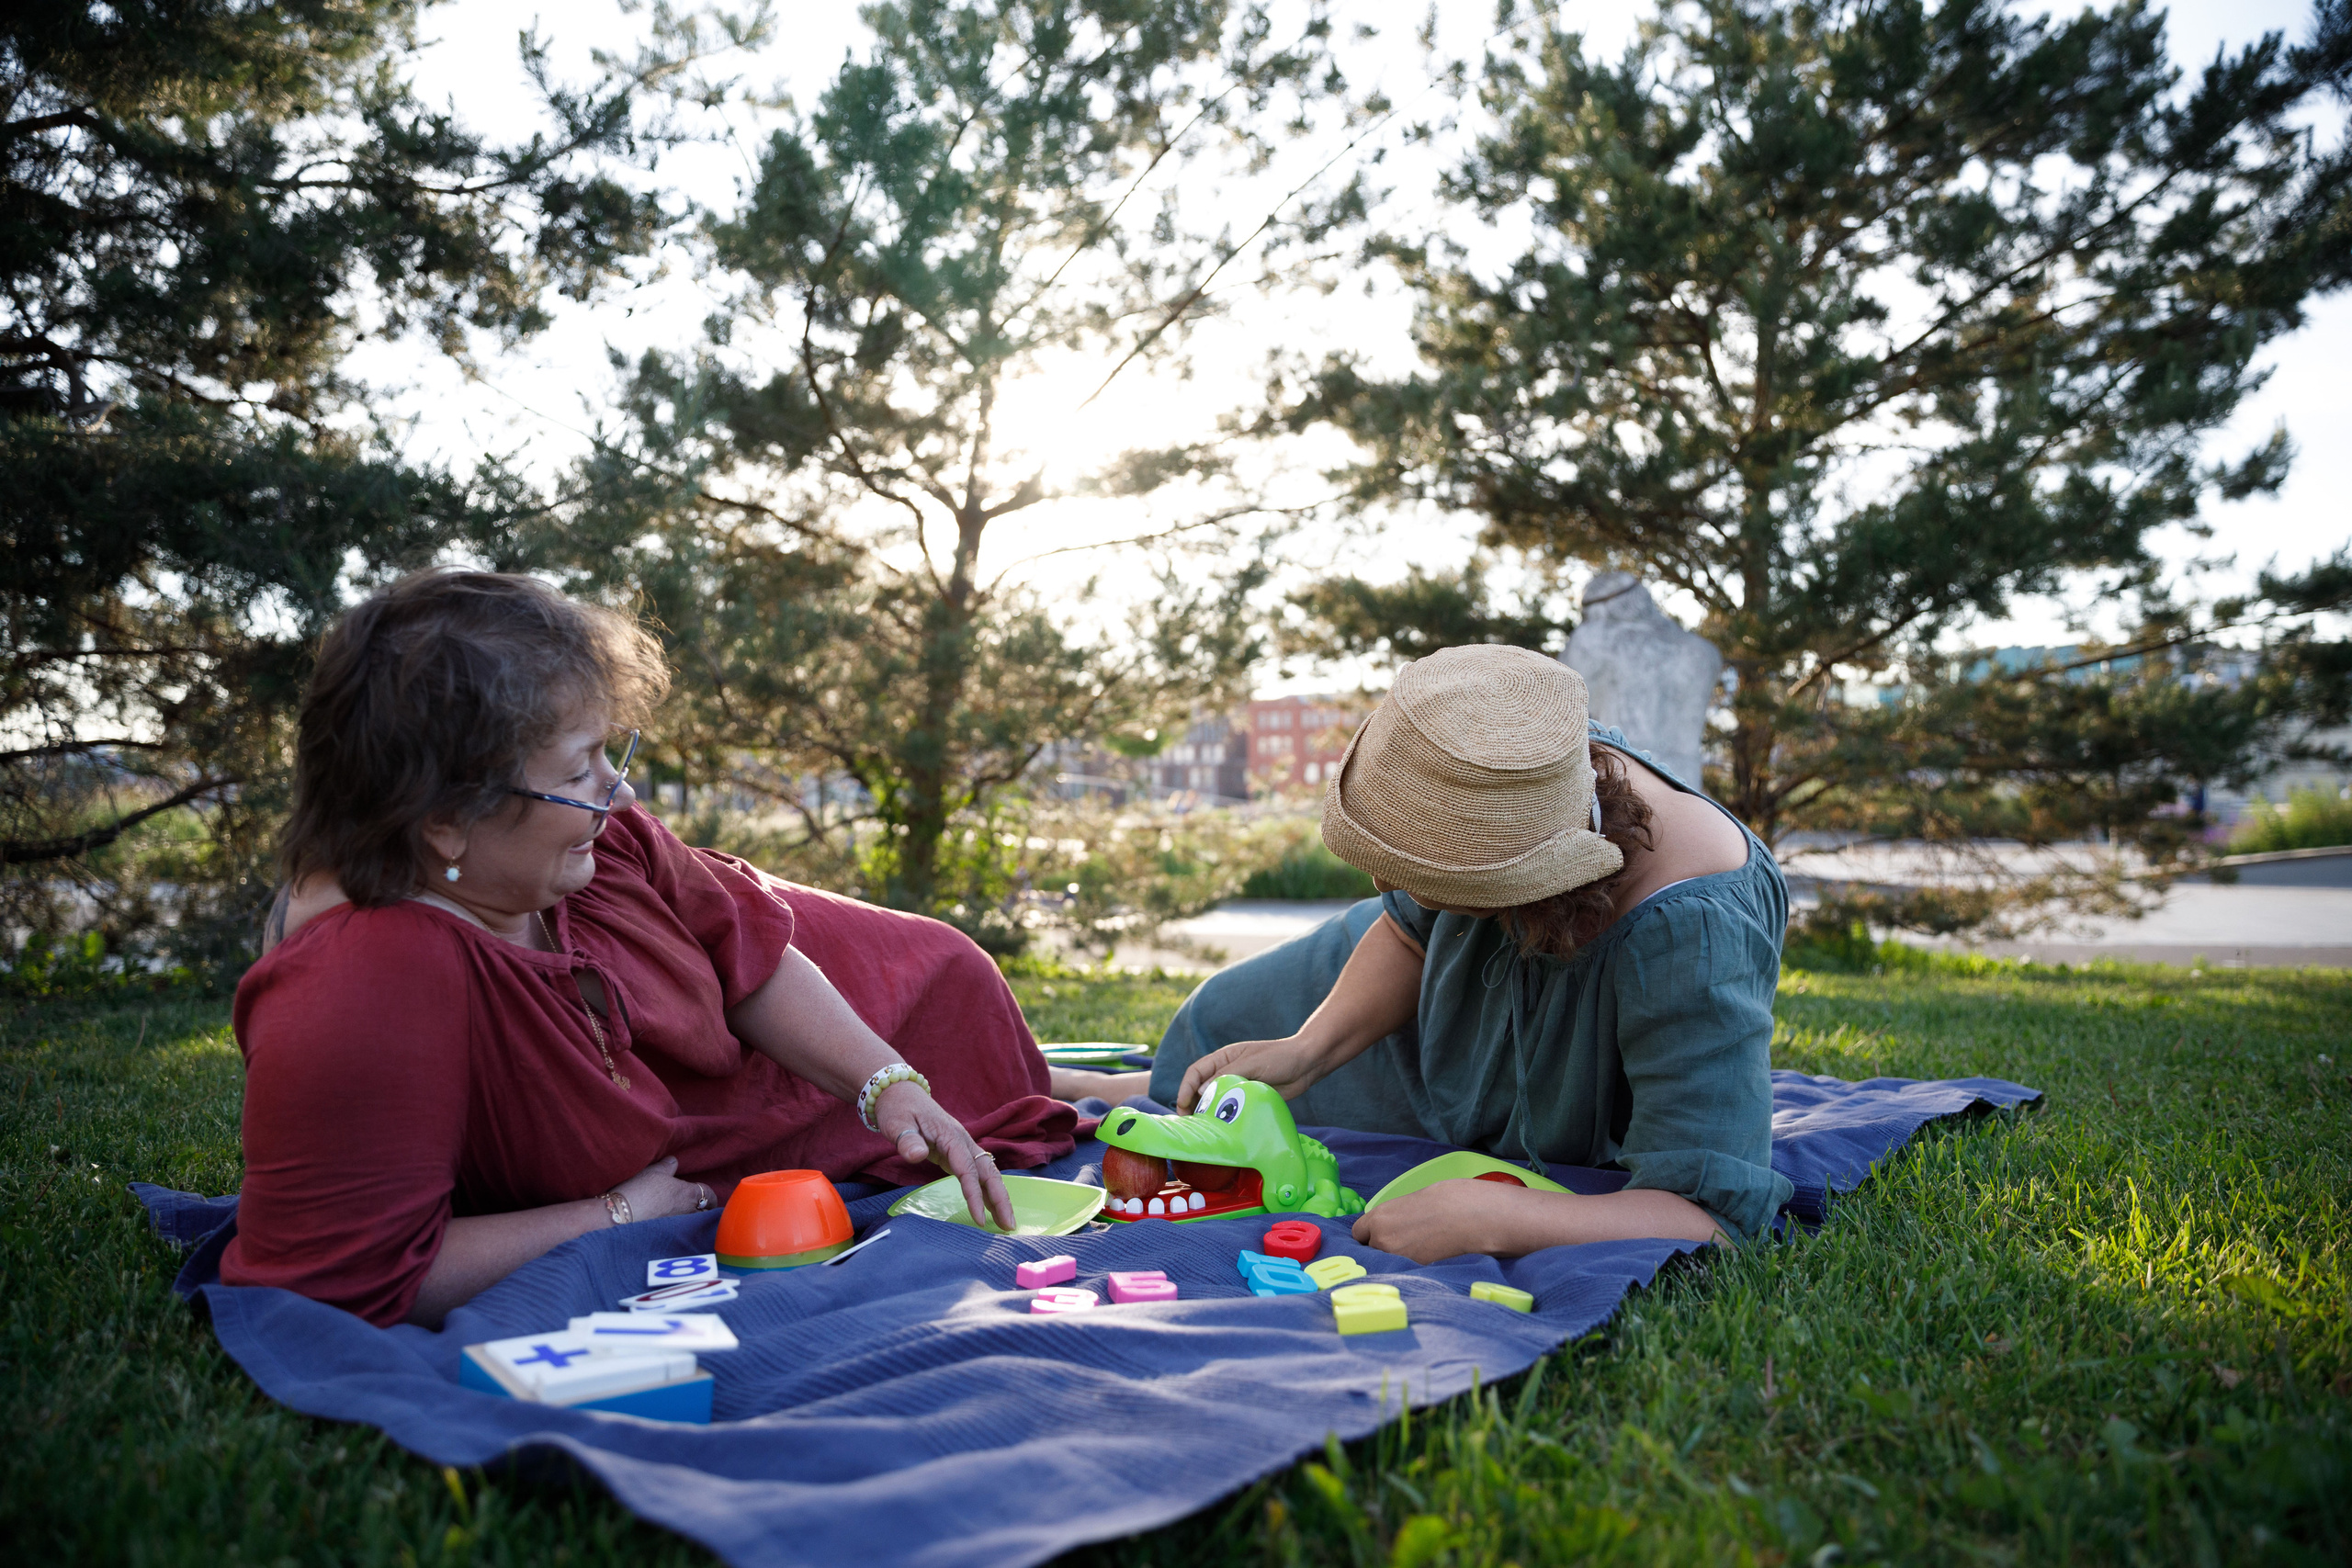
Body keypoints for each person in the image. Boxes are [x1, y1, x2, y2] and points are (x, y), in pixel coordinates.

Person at [230, 570, 1073, 1327]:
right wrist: (614, 1217)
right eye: (579, 769)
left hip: (768, 1042)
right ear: (443, 816)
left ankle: (1088, 1078)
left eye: (610, 750)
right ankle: (1088, 1077)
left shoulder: (582, 848)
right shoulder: (362, 983)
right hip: (720, 1126)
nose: (620, 789)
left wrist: (884, 1084)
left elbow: (746, 947)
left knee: (953, 975)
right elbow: (348, 1277)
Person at [1057, 644, 1792, 1263]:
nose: (1383, 885)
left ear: (1528, 879)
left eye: (1424, 876)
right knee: (1221, 1020)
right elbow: (1406, 927)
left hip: (1564, 1050)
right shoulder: (1507, 756)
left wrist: (1496, 1219)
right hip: (1444, 975)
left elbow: (1714, 1217)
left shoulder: (1693, 932)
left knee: (1281, 1101)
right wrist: (1307, 1049)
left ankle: (1100, 1088)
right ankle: (1101, 1087)